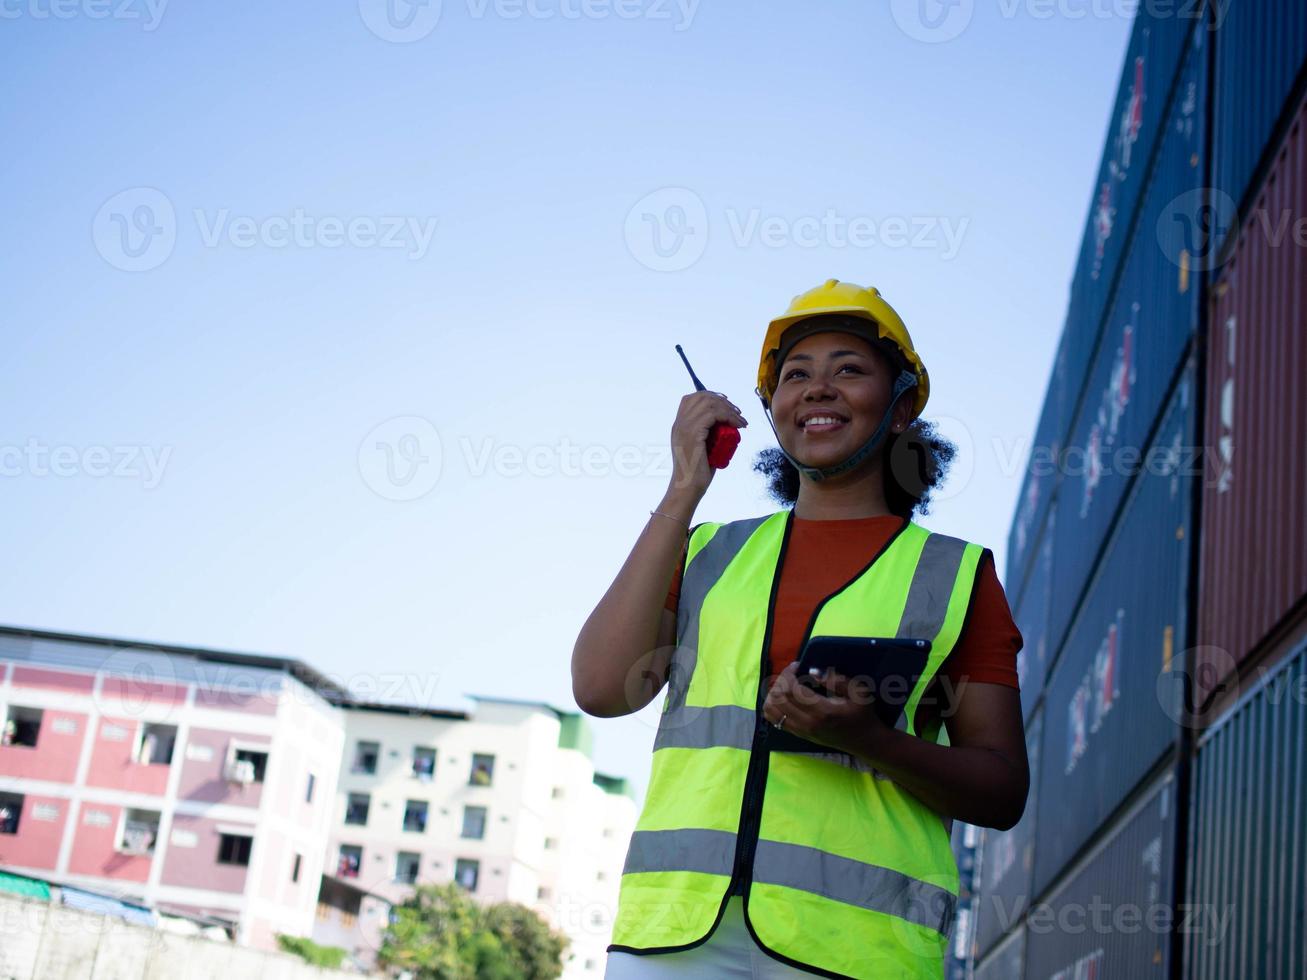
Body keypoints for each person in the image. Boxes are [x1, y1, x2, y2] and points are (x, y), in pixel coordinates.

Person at [572, 280, 1029, 979]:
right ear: (770, 411)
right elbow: (601, 689)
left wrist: (869, 741)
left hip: (856, 953)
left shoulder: (956, 575)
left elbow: (1000, 791)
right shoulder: (703, 552)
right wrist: (684, 486)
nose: (816, 389)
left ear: (902, 405)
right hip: (669, 940)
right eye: (794, 376)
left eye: (847, 369)